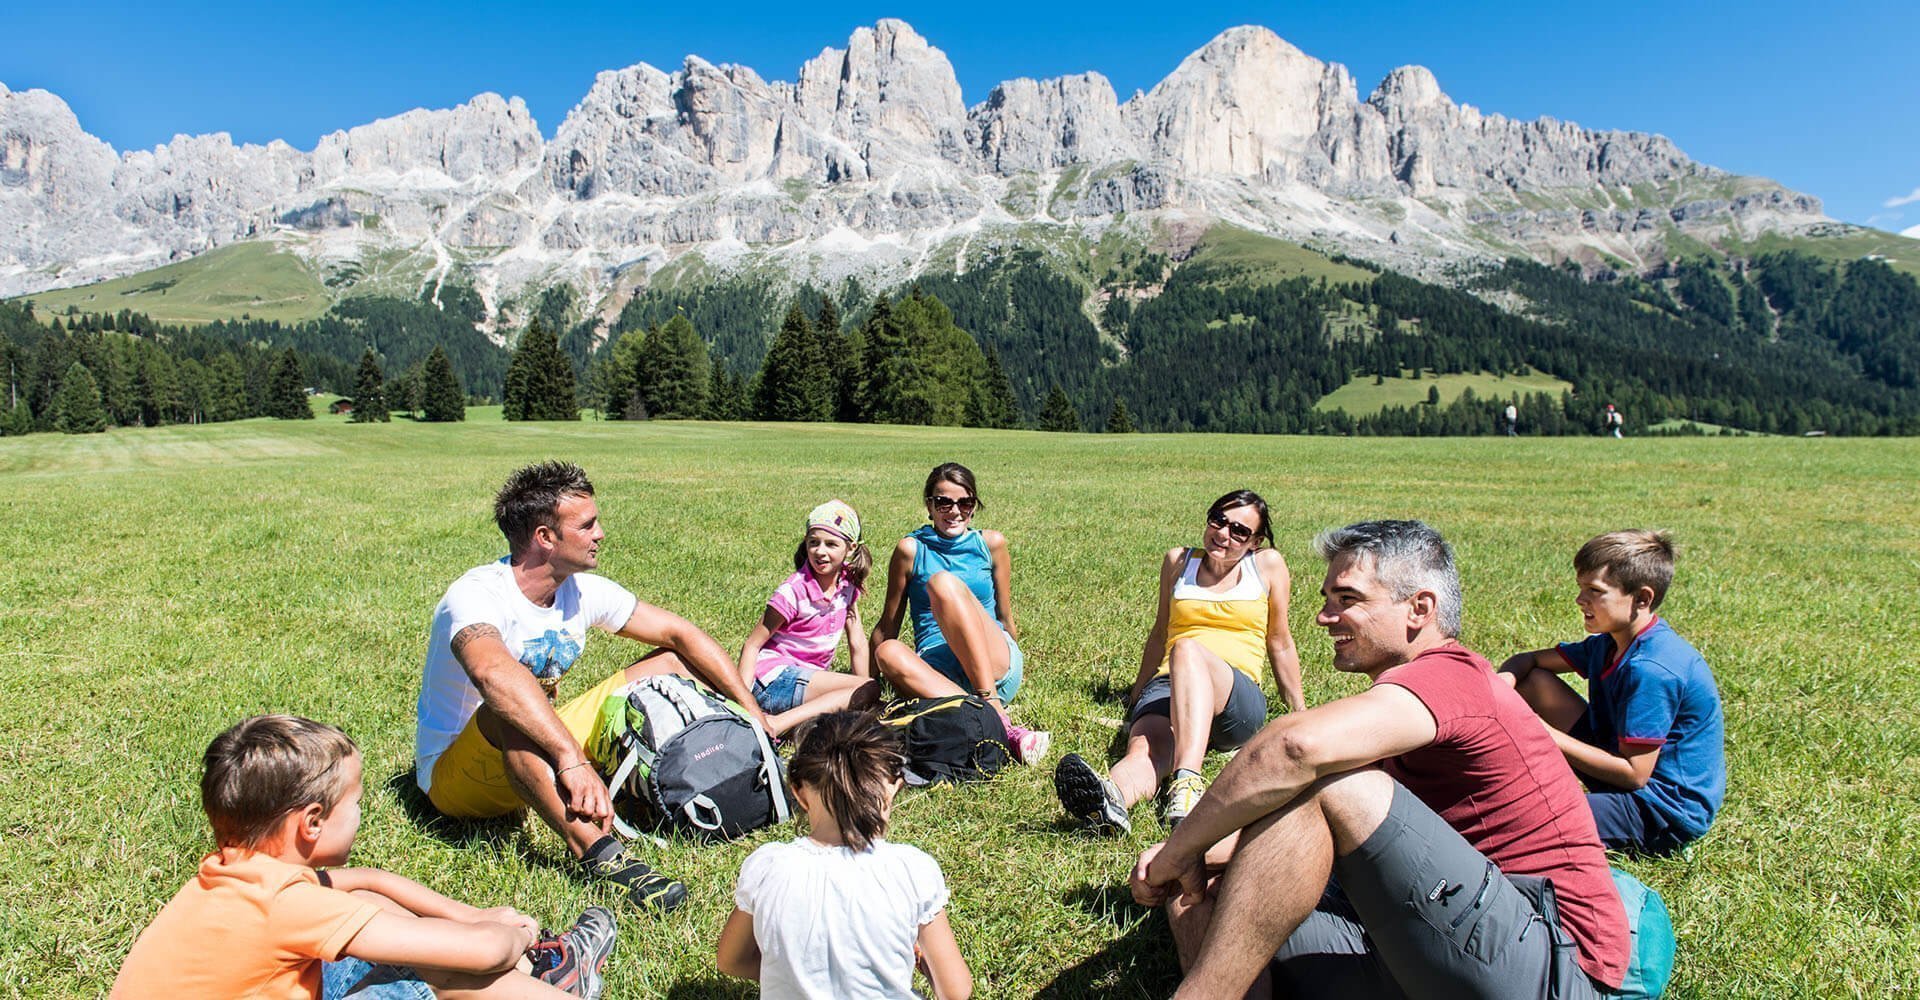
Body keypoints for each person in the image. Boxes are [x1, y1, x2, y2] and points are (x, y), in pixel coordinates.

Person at [1131, 520, 1628, 999]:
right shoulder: (1398, 714)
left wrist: (1181, 846)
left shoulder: (1453, 677)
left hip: (1553, 968)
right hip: (1436, 945)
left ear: (1419, 608)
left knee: (1327, 785)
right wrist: (1185, 858)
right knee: (1200, 888)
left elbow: (1292, 749)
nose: (1325, 617)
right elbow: (1286, 827)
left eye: (1347, 599)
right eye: (1326, 599)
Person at [414, 461, 767, 911]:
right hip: (456, 779)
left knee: (672, 663)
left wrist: (751, 712)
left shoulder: (581, 590)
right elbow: (492, 675)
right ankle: (602, 856)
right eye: (587, 525)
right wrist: (570, 757)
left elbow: (682, 636)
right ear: (545, 537)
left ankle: (683, 775)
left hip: (535, 751)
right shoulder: (477, 594)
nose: (600, 533)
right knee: (508, 707)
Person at [113, 715, 617, 1000]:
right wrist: (512, 935)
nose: (361, 813)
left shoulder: (238, 877)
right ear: (311, 822)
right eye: (355, 803)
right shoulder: (287, 907)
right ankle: (555, 981)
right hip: (493, 953)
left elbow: (364, 880)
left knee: (384, 921)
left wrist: (472, 916)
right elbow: (482, 954)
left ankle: (541, 973)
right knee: (424, 973)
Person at [1055, 490, 1303, 834]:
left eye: (1239, 531)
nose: (1223, 533)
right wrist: (1136, 695)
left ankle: (1188, 780)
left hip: (1235, 698)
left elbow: (1279, 640)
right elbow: (1159, 633)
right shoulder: (1179, 561)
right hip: (1170, 685)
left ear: (1255, 541)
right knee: (1145, 749)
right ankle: (1111, 800)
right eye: (1218, 519)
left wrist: (1299, 713)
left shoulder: (1267, 565)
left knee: (1186, 649)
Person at [1499, 529, 1726, 855]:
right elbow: (1530, 661)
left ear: (1642, 599)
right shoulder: (1610, 643)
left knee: (1519, 821)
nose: (1580, 600)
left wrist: (1538, 732)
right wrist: (1500, 686)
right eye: (1581, 588)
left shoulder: (1651, 669)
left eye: (1594, 591)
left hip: (1660, 811)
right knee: (1533, 681)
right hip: (1621, 767)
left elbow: (1635, 775)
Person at [717, 711, 972, 1000]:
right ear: (892, 788)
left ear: (799, 792)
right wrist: (922, 964)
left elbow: (731, 961)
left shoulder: (767, 867)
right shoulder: (912, 869)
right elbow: (955, 992)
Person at [871, 462, 1049, 764]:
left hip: (993, 668)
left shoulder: (991, 544)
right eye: (943, 502)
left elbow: (1004, 615)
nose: (954, 511)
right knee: (887, 651)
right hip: (938, 679)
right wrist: (865, 689)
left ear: (974, 507)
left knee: (942, 584)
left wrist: (1015, 658)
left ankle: (993, 709)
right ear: (929, 505)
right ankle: (987, 719)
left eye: (964, 503)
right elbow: (888, 626)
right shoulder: (910, 550)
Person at [739, 500, 880, 737]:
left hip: (803, 682)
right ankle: (776, 724)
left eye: (831, 544)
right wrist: (742, 701)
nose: (820, 551)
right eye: (813, 543)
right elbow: (752, 645)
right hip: (774, 680)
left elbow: (857, 642)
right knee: (865, 690)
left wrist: (862, 694)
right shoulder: (793, 591)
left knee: (864, 690)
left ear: (851, 548)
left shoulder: (847, 586)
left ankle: (802, 720)